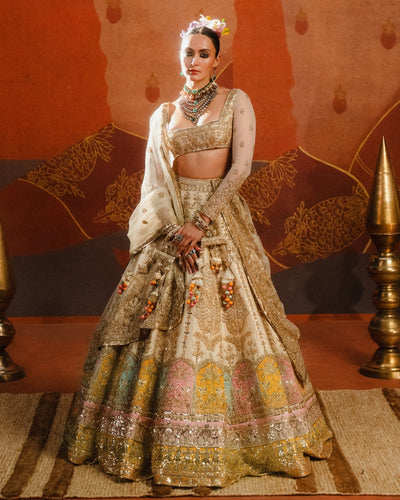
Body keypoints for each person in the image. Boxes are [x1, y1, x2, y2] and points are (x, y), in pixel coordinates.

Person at [64, 15, 332, 488]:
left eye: (203, 54)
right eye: (187, 52)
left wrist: (200, 224)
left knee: (237, 320)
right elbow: (154, 183)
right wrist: (174, 232)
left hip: (218, 217)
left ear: (216, 59)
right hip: (171, 224)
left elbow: (241, 168)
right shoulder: (164, 114)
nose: (194, 61)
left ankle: (242, 433)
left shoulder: (236, 101)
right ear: (179, 56)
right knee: (146, 321)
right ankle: (148, 431)